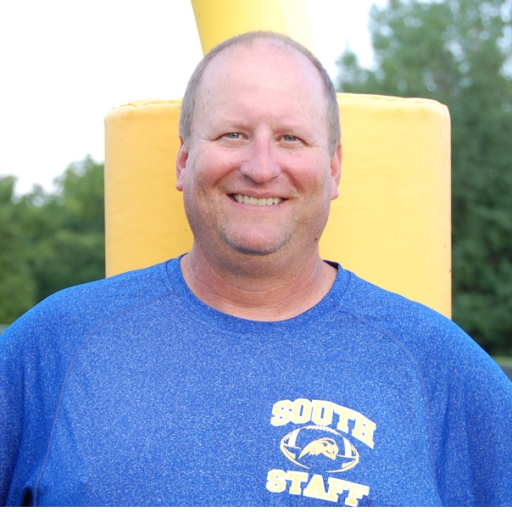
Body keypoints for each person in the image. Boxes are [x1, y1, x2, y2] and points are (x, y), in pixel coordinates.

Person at [1, 31, 511, 507]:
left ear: (334, 168)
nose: (261, 167)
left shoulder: (439, 367)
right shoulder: (53, 347)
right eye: (232, 134)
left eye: (291, 138)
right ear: (184, 161)